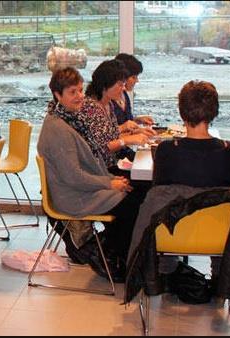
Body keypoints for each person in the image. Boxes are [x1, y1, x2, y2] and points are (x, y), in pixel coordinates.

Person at [39, 67, 148, 282]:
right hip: (72, 196)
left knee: (136, 193)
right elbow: (74, 177)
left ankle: (119, 254)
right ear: (57, 95)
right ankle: (119, 260)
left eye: (80, 90)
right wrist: (109, 184)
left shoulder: (69, 118)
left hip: (79, 187)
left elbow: (84, 167)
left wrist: (110, 180)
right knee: (133, 204)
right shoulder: (58, 129)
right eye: (73, 92)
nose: (80, 96)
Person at [151, 80, 230, 278]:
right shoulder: (228, 150)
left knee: (165, 205)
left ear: (182, 113)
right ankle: (219, 278)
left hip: (171, 235)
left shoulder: (166, 150)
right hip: (218, 236)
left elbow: (157, 192)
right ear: (214, 112)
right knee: (220, 204)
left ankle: (165, 274)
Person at [80, 59, 152, 170]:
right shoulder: (91, 108)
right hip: (100, 170)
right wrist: (128, 140)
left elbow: (112, 135)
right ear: (105, 85)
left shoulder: (108, 103)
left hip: (113, 163)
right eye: (120, 84)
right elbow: (101, 149)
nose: (123, 88)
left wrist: (136, 133)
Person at [113, 53, 154, 126]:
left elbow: (126, 123)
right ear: (122, 77)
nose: (137, 81)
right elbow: (107, 132)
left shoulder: (124, 95)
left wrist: (138, 120)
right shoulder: (108, 100)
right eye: (134, 77)